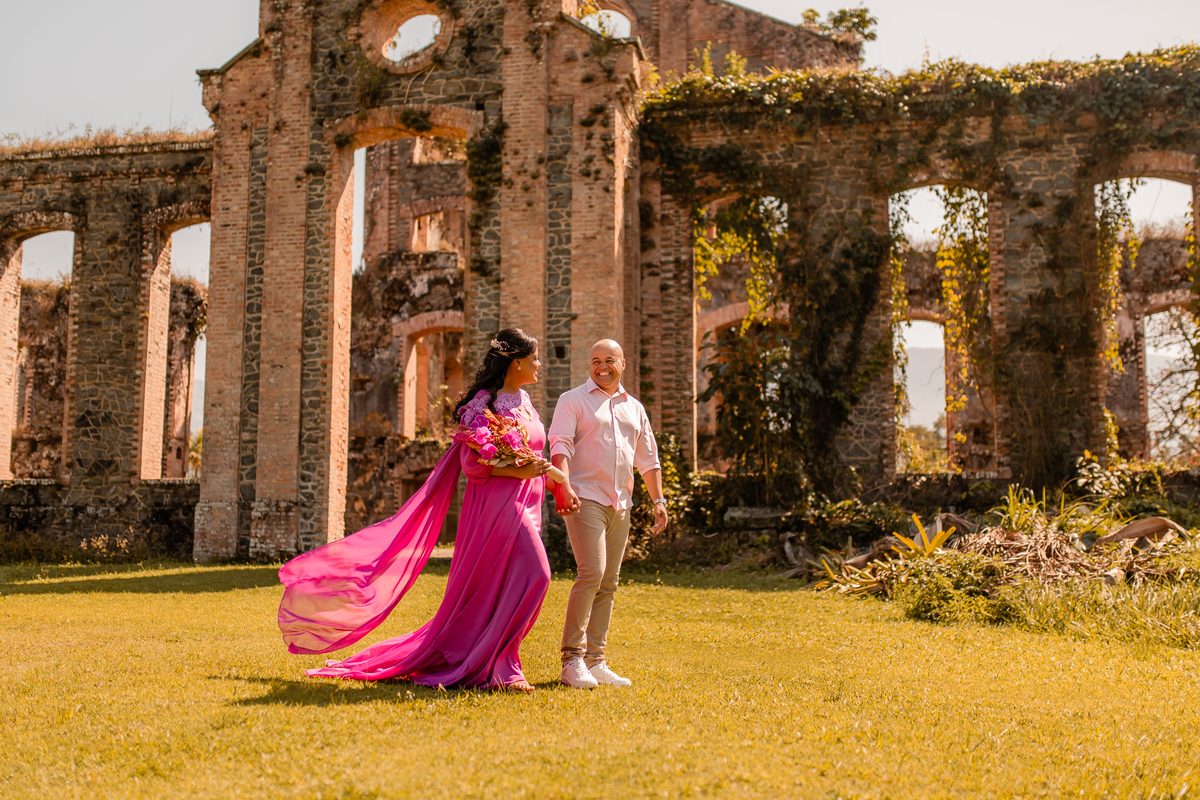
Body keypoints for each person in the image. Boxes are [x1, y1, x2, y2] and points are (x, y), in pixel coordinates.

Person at [276, 328, 553, 693]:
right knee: (539, 576)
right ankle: (500, 664)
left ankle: (499, 663)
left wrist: (560, 483)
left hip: (528, 502)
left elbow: (535, 454)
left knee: (504, 587)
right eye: (534, 358)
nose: (539, 364)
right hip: (498, 508)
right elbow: (474, 466)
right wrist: (520, 470)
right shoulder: (482, 406)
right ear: (516, 362)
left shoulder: (525, 400)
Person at [548, 338, 669, 689]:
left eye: (609, 360)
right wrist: (563, 485)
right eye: (595, 361)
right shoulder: (572, 400)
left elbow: (648, 460)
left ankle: (596, 660)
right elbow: (560, 445)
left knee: (609, 582)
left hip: (622, 504)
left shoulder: (634, 408)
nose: (602, 367)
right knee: (592, 573)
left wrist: (658, 501)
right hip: (584, 498)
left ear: (623, 363)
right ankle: (572, 660)